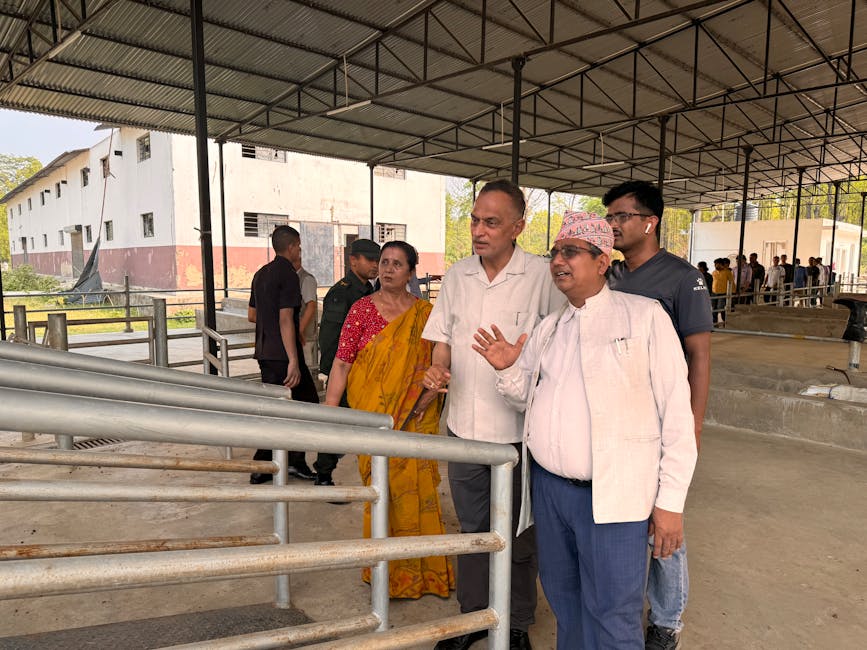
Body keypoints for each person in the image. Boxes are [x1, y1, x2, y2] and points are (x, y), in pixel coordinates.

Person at [473, 211, 697, 650]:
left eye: (571, 252)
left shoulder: (644, 317)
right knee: (565, 600)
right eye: (555, 252)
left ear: (602, 261)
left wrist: (670, 503)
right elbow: (527, 401)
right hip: (553, 492)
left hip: (613, 496)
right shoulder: (551, 327)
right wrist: (507, 369)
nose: (558, 260)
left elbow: (677, 414)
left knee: (613, 610)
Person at [423, 179, 563, 650]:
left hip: (520, 434)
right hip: (464, 427)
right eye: (475, 220)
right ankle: (473, 618)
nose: (479, 230)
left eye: (491, 222)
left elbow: (559, 347)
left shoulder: (543, 277)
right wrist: (438, 370)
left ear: (519, 227)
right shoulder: (458, 276)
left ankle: (518, 621)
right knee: (472, 529)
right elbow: (443, 339)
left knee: (520, 533)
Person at [604, 180, 712, 650]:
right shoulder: (609, 275)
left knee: (664, 520)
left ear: (650, 222)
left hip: (663, 419)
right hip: (619, 421)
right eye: (609, 216)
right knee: (628, 517)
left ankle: (666, 622)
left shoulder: (681, 277)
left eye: (621, 216)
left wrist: (693, 424)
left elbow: (700, 357)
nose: (613, 224)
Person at [324, 241, 455, 599]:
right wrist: (330, 413)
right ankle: (386, 570)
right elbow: (342, 363)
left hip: (417, 418)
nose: (388, 269)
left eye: (398, 264)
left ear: (411, 272)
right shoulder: (361, 310)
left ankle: (423, 572)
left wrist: (434, 382)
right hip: (373, 419)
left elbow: (439, 363)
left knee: (418, 490)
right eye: (384, 262)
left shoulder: (426, 314)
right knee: (382, 493)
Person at [248, 225, 318, 484]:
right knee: (307, 405)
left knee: (278, 409)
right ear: (291, 246)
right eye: (298, 246)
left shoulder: (261, 274)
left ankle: (283, 463)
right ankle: (267, 464)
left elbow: (252, 315)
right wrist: (293, 361)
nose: (299, 250)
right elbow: (286, 318)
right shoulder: (288, 274)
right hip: (283, 355)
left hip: (265, 353)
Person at [315, 238, 381, 486]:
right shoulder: (341, 292)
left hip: (366, 372)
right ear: (354, 261)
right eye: (371, 260)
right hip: (344, 370)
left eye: (378, 260)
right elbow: (330, 337)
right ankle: (323, 474)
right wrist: (330, 373)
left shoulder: (372, 291)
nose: (376, 265)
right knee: (337, 424)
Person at [295, 253, 318, 369]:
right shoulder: (292, 278)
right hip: (297, 336)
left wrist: (299, 330)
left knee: (305, 370)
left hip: (305, 337)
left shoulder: (306, 279)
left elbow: (311, 306)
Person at [711, 258, 733, 323]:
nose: (715, 266)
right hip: (714, 293)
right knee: (714, 308)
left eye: (716, 264)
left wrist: (732, 293)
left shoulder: (727, 272)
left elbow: (731, 283)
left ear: (721, 264)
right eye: (714, 264)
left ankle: (725, 321)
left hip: (723, 293)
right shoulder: (714, 272)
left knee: (721, 307)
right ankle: (714, 323)